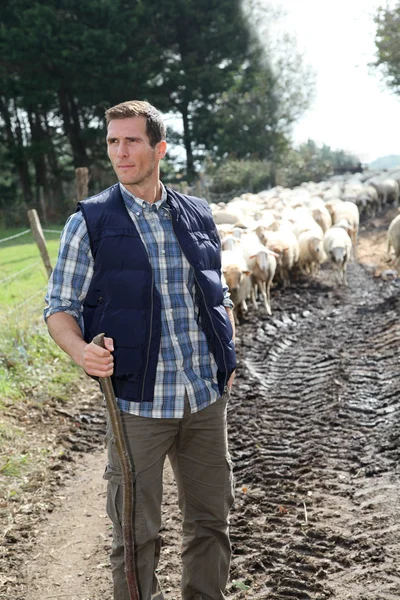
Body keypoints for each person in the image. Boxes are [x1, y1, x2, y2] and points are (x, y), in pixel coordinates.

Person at [44, 100, 237, 600]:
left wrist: (227, 356)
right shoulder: (89, 222)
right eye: (112, 141)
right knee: (134, 537)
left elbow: (219, 295)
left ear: (159, 149)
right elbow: (59, 309)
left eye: (131, 140)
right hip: (137, 406)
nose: (120, 152)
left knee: (210, 523)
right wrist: (80, 350)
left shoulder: (195, 214)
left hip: (203, 402)